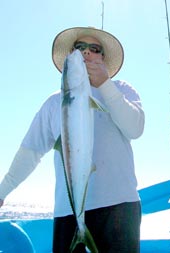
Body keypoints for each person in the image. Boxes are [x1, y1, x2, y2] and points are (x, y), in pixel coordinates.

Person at [0, 27, 145, 253]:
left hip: (119, 208)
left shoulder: (121, 90)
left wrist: (105, 85)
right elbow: (30, 153)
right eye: (80, 48)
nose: (86, 53)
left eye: (94, 49)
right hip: (68, 212)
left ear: (103, 58)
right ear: (70, 56)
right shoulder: (53, 103)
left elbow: (135, 128)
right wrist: (2, 191)